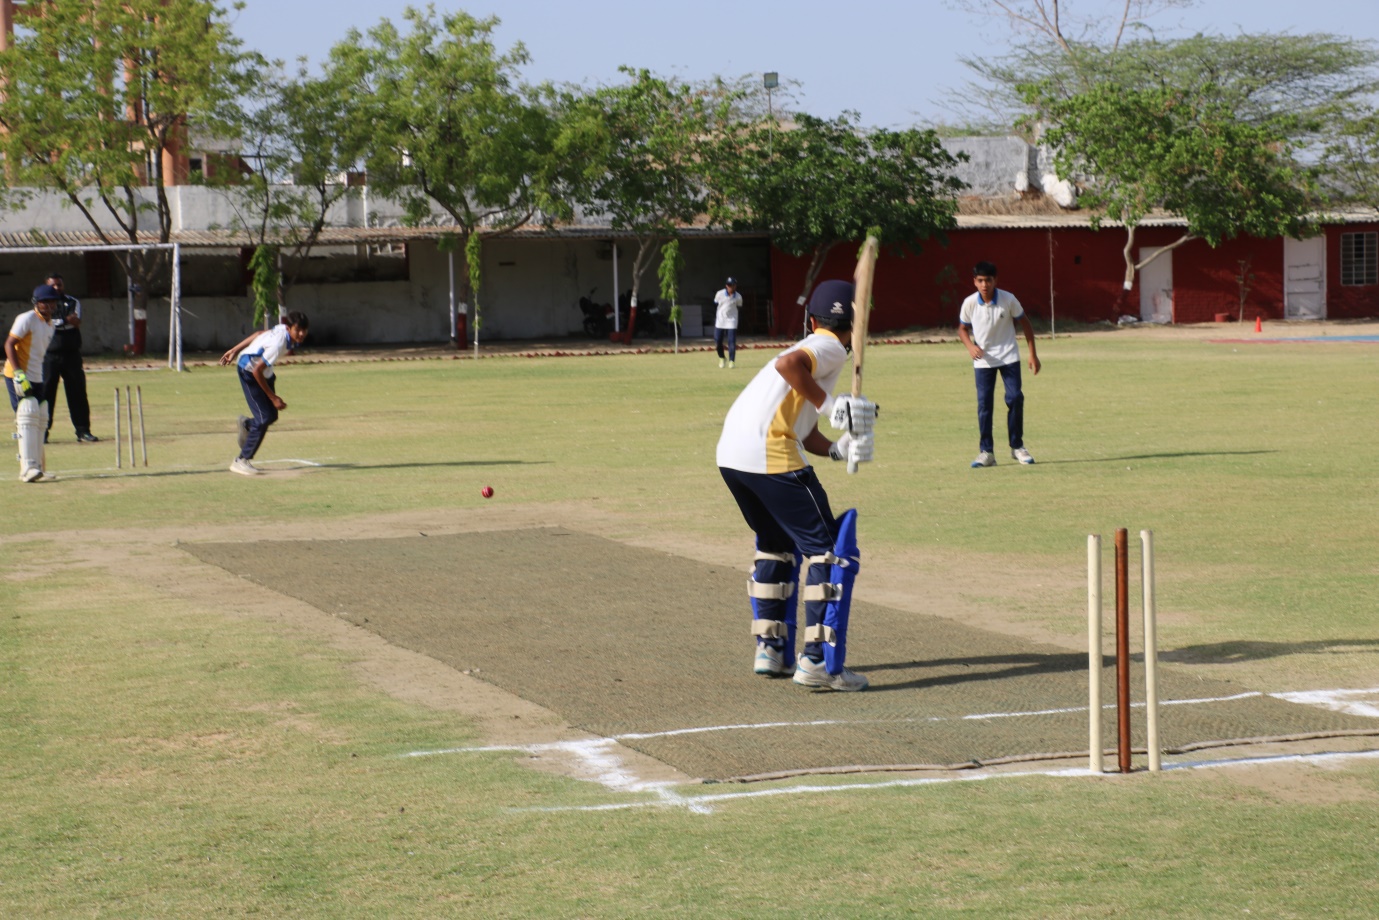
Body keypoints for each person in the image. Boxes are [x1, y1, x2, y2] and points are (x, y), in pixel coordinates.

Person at [716, 279, 877, 692]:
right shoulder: (827, 346)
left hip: (734, 457)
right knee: (829, 553)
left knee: (775, 543)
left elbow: (805, 434)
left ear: (811, 317)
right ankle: (817, 662)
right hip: (769, 456)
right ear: (855, 328)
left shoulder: (819, 351)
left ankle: (770, 648)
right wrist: (832, 404)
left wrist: (840, 449)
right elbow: (789, 366)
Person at [956, 260, 1041, 468]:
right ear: (975, 282)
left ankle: (1017, 447)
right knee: (984, 405)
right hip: (984, 361)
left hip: (1009, 357)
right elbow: (962, 329)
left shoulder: (1008, 299)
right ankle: (986, 452)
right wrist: (970, 346)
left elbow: (1026, 324)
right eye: (980, 281)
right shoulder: (969, 303)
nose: (985, 285)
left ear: (996, 280)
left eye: (988, 280)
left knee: (1015, 398)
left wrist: (1033, 355)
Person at [219, 312, 309, 476]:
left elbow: (259, 334)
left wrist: (234, 349)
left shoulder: (282, 329)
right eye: (298, 330)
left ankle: (247, 425)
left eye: (304, 330)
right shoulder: (279, 344)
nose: (301, 334)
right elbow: (256, 371)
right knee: (264, 418)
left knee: (271, 416)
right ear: (289, 328)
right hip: (249, 371)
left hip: (263, 372)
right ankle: (241, 461)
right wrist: (273, 398)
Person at [5, 284, 59, 481]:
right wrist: (19, 373)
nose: (50, 305)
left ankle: (39, 468)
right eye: (45, 301)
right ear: (37, 303)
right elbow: (9, 344)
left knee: (41, 416)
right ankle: (27, 469)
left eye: (52, 301)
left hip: (36, 376)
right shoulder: (26, 319)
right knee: (27, 412)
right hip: (18, 375)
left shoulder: (50, 325)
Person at [41, 273, 99, 443]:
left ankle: (83, 431)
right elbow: (45, 321)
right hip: (49, 355)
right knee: (46, 394)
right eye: (53, 285)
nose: (57, 288)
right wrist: (65, 320)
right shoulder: (42, 303)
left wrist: (61, 320)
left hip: (71, 354)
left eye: (59, 284)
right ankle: (42, 432)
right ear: (47, 286)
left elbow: (76, 320)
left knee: (77, 392)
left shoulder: (72, 301)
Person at [713, 277, 742, 368]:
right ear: (726, 286)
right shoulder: (719, 294)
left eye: (733, 285)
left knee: (731, 342)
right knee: (718, 341)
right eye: (729, 285)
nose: (731, 287)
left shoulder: (738, 297)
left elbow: (739, 306)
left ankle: (731, 361)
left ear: (735, 286)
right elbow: (715, 304)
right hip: (720, 321)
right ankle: (722, 357)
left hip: (732, 321)